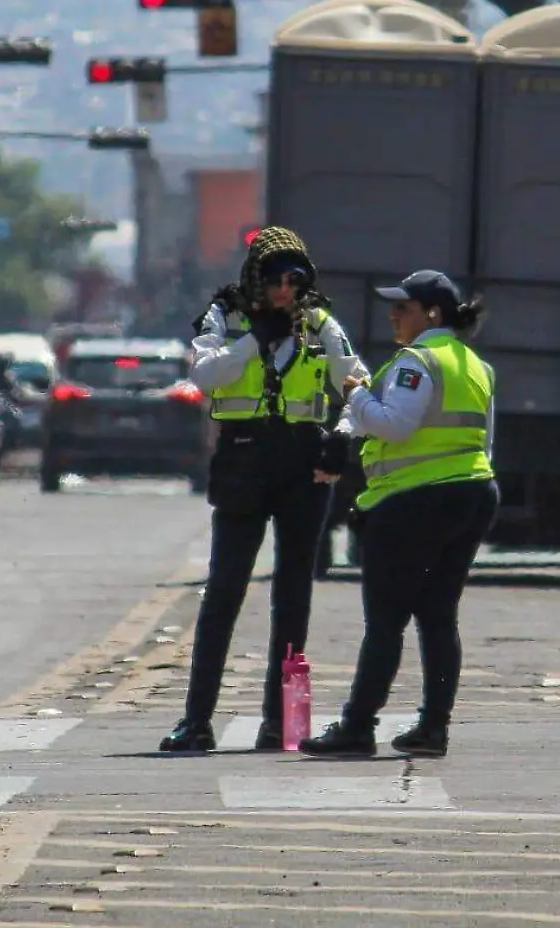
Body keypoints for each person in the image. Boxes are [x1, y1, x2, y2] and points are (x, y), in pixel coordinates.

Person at [159, 227, 369, 754]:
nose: (285, 290)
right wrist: (256, 340)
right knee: (224, 591)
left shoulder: (318, 322)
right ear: (255, 276)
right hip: (244, 460)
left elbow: (357, 382)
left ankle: (283, 722)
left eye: (295, 279)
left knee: (294, 595)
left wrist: (342, 439)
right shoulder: (225, 316)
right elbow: (205, 377)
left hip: (303, 466)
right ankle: (196, 721)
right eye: (275, 278)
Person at [301, 270, 497, 758]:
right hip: (472, 493)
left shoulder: (415, 362)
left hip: (413, 502)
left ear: (432, 313)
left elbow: (396, 425)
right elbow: (485, 440)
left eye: (403, 307)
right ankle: (433, 728)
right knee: (437, 616)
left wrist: (357, 394)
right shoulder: (475, 365)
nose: (393, 314)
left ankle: (358, 726)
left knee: (385, 621)